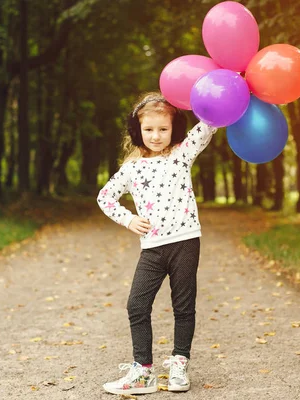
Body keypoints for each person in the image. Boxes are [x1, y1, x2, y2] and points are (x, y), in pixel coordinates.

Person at [97, 92, 217, 395]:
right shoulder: (132, 168)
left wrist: (229, 89)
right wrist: (128, 219)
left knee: (183, 305)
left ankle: (179, 364)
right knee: (136, 304)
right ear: (138, 131)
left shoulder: (182, 153)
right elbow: (105, 197)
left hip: (186, 242)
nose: (156, 135)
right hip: (152, 246)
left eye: (163, 129)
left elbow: (208, 125)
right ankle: (143, 372)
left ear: (173, 130)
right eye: (149, 129)